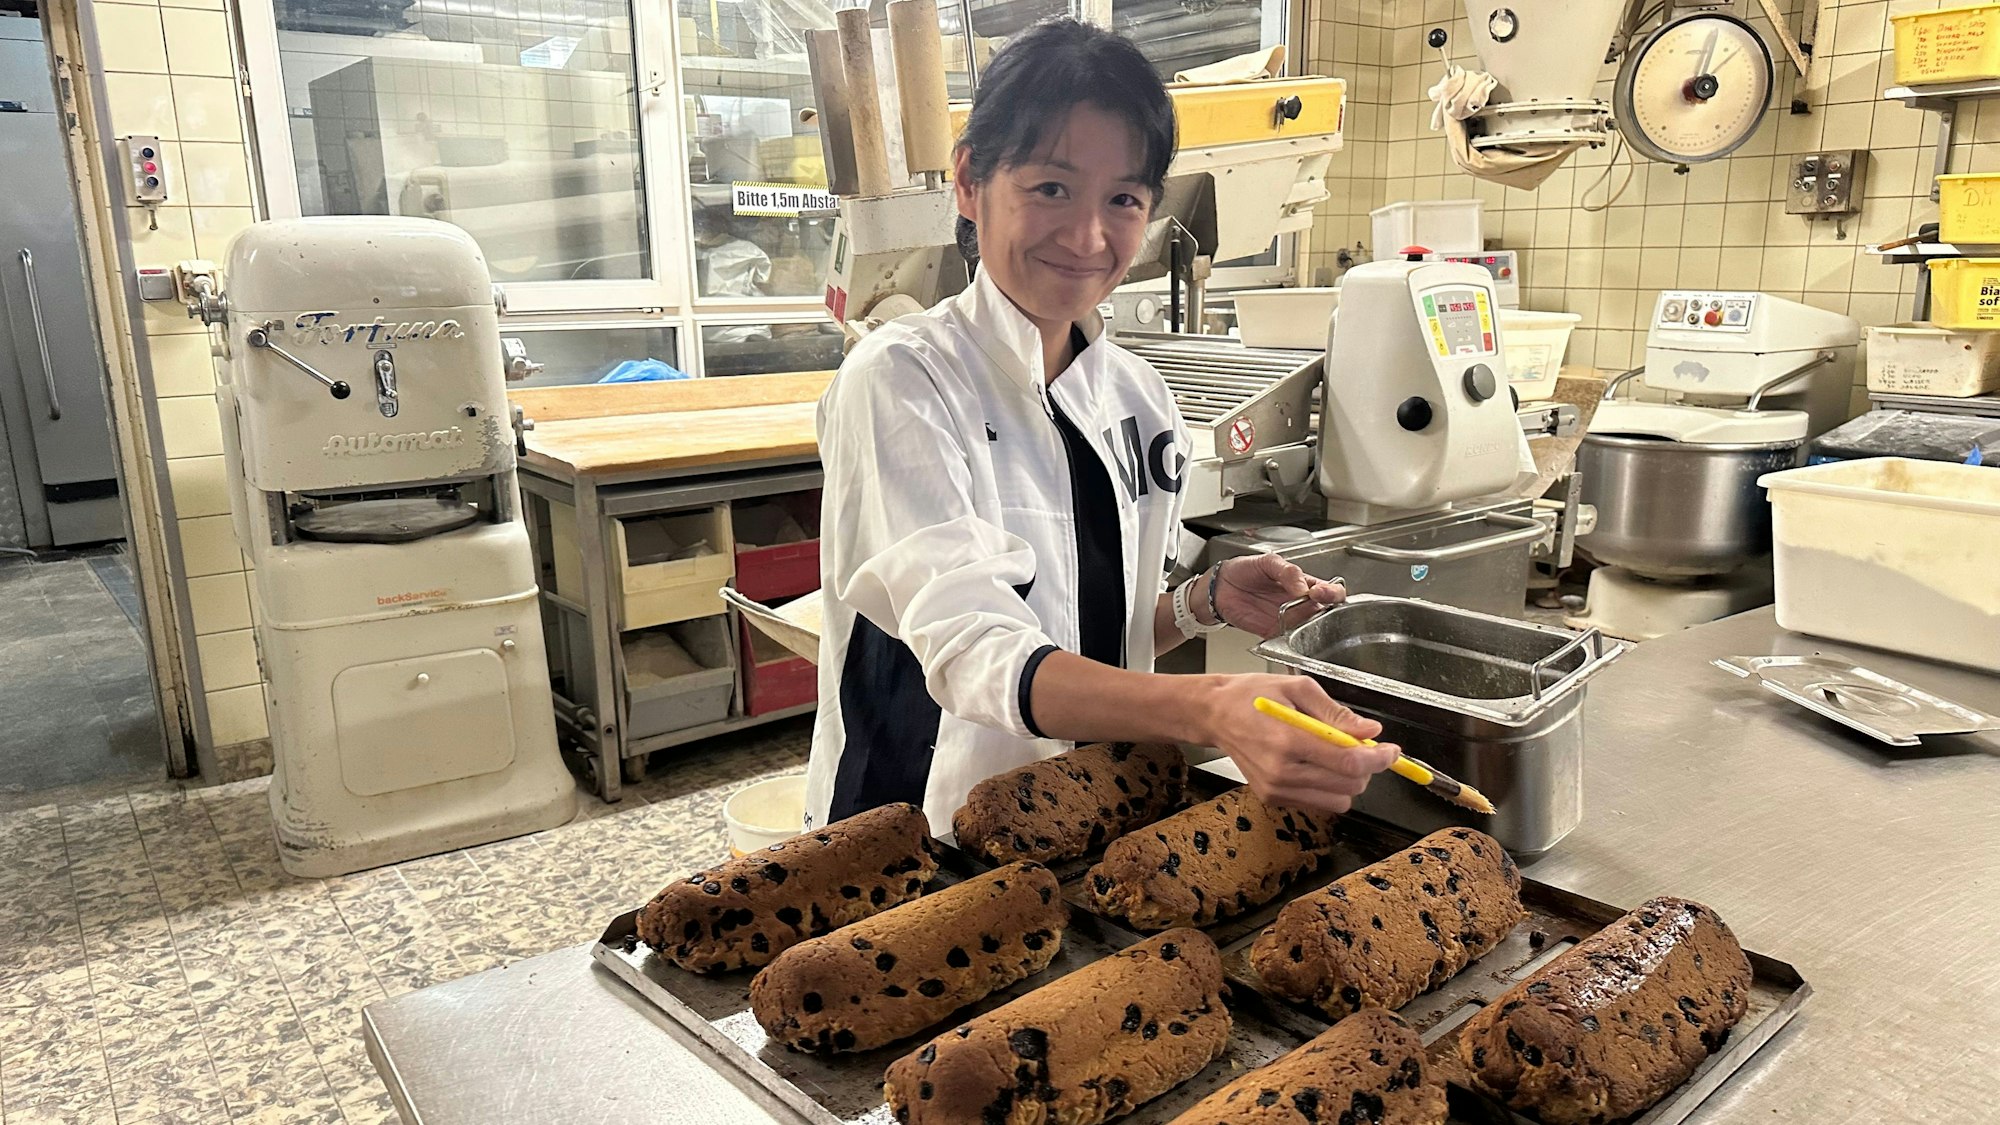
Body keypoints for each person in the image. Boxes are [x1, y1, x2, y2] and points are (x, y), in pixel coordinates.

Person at [804, 19, 1397, 833]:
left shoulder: (1138, 397)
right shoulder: (903, 379)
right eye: (1051, 188)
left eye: (1122, 199)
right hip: (917, 835)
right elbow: (976, 648)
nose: (1087, 236)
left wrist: (1203, 602)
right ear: (971, 181)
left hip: (1082, 824)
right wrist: (1209, 706)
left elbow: (1098, 626)